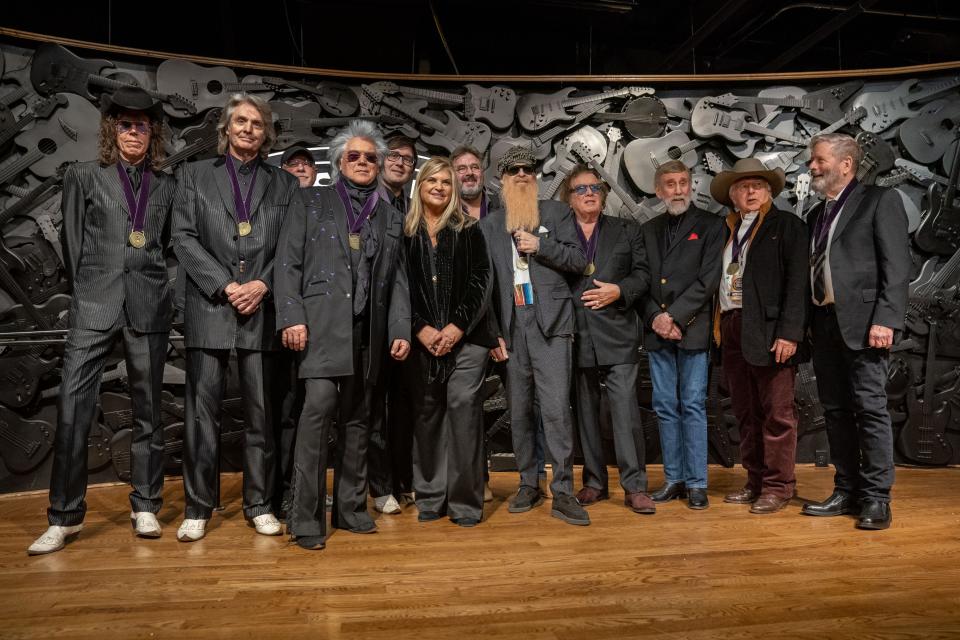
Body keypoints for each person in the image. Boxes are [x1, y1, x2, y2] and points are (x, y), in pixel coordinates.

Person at [28, 87, 177, 555]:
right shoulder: (84, 176)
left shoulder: (168, 184)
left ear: (153, 134)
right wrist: (91, 287)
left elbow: (169, 245)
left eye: (143, 125)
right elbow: (73, 244)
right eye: (126, 124)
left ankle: (146, 503)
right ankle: (64, 517)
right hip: (94, 303)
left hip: (147, 306)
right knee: (73, 409)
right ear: (113, 130)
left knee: (149, 410)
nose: (135, 132)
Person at [274, 120, 411, 551]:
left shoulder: (390, 215)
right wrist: (291, 316)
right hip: (321, 327)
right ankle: (306, 520)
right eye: (354, 155)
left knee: (359, 421)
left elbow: (399, 279)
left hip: (368, 332)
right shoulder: (310, 200)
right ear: (338, 162)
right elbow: (287, 262)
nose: (364, 162)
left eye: (371, 157)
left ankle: (351, 511)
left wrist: (400, 327)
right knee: (316, 418)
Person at [172, 94, 300, 542]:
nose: (248, 129)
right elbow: (183, 239)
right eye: (240, 122)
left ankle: (259, 503)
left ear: (266, 135)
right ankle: (197, 507)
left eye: (257, 124)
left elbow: (290, 247)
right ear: (226, 129)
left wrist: (263, 284)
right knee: (201, 416)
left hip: (260, 310)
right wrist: (225, 285)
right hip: (211, 306)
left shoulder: (284, 184)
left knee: (260, 416)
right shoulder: (192, 174)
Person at [800, 133, 910, 530]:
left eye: (819, 160)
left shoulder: (880, 201)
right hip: (825, 324)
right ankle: (846, 490)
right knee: (834, 410)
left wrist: (887, 319)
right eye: (812, 161)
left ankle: (877, 498)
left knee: (870, 410)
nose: (812, 167)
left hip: (866, 325)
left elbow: (897, 267)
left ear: (846, 164)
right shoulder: (815, 215)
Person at [478, 145, 590, 526]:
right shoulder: (490, 225)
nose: (522, 175)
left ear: (536, 177)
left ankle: (563, 490)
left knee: (557, 409)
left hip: (552, 323)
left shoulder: (557, 213)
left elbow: (579, 261)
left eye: (528, 169)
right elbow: (486, 285)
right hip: (511, 325)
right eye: (514, 171)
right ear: (503, 180)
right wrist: (493, 333)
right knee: (520, 410)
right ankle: (529, 483)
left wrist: (540, 246)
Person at [709, 158, 809, 514]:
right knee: (746, 412)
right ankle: (754, 481)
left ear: (768, 191)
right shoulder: (726, 229)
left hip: (770, 332)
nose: (749, 192)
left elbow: (798, 283)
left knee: (777, 413)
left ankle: (778, 486)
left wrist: (789, 333)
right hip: (732, 327)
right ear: (733, 195)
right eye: (742, 187)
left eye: (756, 186)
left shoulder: (788, 226)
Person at [559, 166, 654, 514]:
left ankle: (635, 486)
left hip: (618, 333)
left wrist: (620, 290)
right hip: (575, 334)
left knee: (625, 412)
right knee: (584, 412)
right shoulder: (557, 232)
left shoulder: (627, 229)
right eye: (580, 189)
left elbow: (643, 274)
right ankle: (594, 483)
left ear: (603, 193)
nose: (589, 193)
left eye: (595, 187)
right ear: (569, 197)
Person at [404, 156, 493, 527]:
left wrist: (457, 326)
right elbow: (398, 288)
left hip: (468, 339)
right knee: (427, 416)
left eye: (446, 182)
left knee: (462, 411)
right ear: (420, 187)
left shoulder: (469, 229)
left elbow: (481, 280)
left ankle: (465, 503)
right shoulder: (404, 234)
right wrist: (420, 328)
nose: (439, 187)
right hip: (421, 341)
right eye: (432, 181)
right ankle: (429, 496)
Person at [640, 159, 723, 510]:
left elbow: (708, 280)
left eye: (683, 182)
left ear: (691, 186)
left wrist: (672, 316)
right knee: (664, 405)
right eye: (670, 184)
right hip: (658, 331)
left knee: (691, 404)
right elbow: (640, 281)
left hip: (692, 328)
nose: (677, 190)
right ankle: (674, 478)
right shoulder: (647, 229)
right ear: (659, 190)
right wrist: (655, 318)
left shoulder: (711, 225)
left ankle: (697, 483)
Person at [368, 134, 418, 514]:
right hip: (368, 321)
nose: (400, 162)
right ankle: (380, 485)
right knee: (371, 410)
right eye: (395, 156)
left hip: (403, 321)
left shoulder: (411, 206)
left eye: (408, 159)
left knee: (402, 407)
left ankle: (401, 480)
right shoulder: (367, 202)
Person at [274, 144, 319, 519]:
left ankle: (306, 493)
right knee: (284, 412)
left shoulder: (325, 210)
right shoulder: (275, 208)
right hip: (282, 327)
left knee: (312, 412)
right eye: (294, 164)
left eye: (307, 164)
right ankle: (283, 492)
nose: (301, 168)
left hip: (320, 330)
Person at [452, 145, 500, 220]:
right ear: (452, 175)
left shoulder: (505, 207)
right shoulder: (442, 212)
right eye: (461, 168)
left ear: (482, 171)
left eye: (475, 167)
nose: (470, 172)